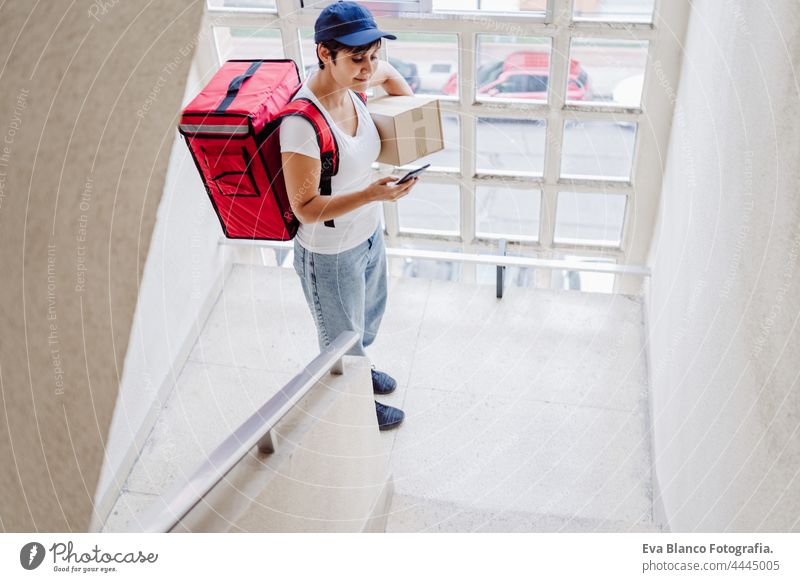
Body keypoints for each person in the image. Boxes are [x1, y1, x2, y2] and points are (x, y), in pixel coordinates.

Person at [280, 1, 418, 430]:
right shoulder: (302, 125)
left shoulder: (354, 83)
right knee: (340, 342)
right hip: (330, 253)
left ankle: (360, 367)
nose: (368, 68)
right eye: (357, 58)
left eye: (373, 55)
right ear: (325, 53)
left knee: (367, 321)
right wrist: (370, 193)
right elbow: (303, 208)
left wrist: (378, 69)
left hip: (369, 234)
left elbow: (397, 86)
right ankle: (353, 402)